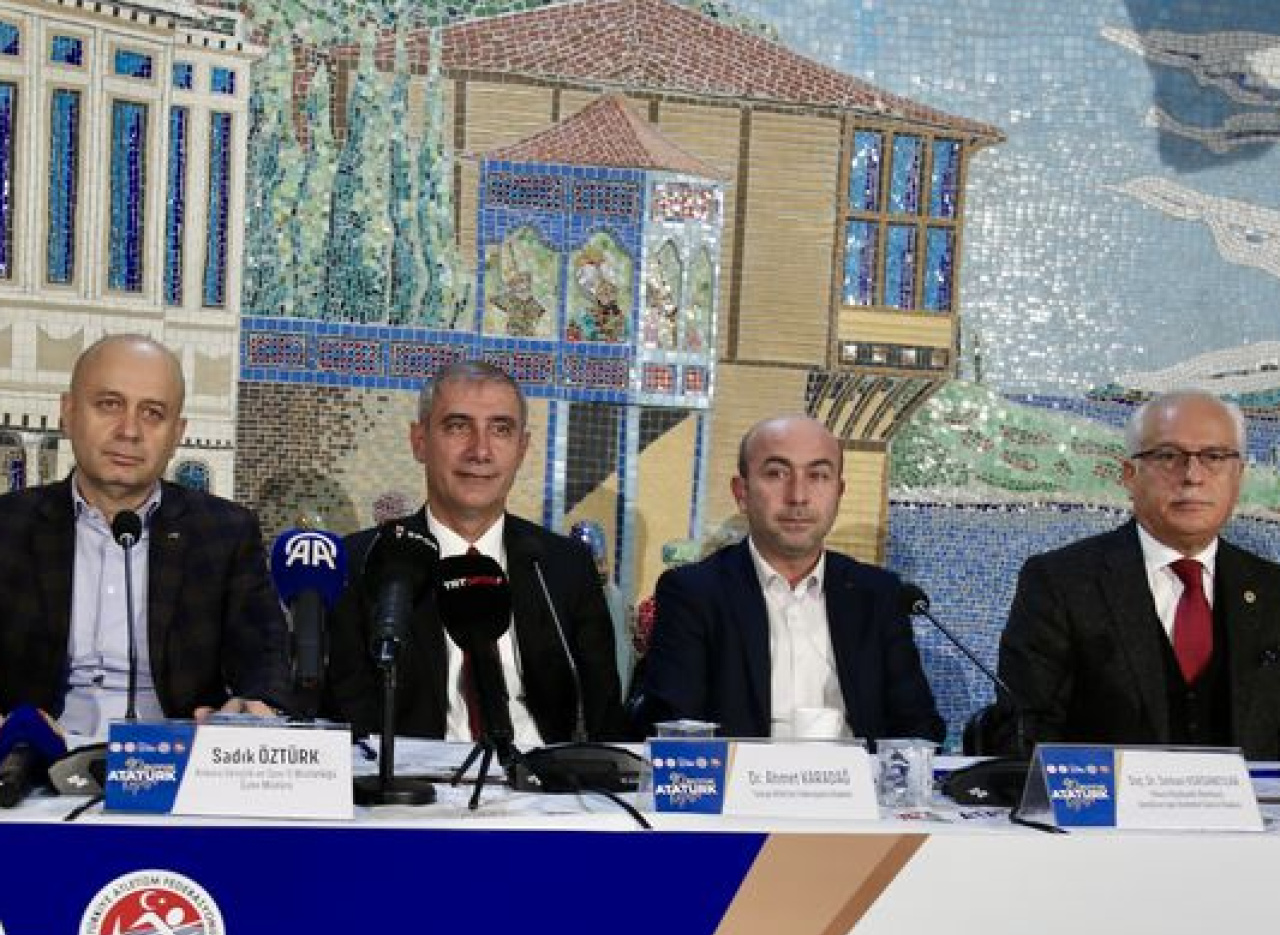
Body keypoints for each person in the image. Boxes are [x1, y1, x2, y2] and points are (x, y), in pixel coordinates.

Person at [0, 333, 289, 733]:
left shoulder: (225, 533)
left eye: (153, 413)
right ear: (68, 412)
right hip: (33, 758)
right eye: (109, 404)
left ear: (177, 434)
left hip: (174, 758)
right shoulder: (9, 526)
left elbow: (264, 658)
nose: (130, 431)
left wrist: (252, 705)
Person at [326, 360, 626, 744]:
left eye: (501, 430)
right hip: (408, 778)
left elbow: (604, 719)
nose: (480, 451)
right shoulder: (362, 563)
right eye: (458, 426)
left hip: (542, 776)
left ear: (522, 449)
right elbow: (345, 721)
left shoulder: (562, 567)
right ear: (420, 441)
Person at [994, 389, 1280, 757]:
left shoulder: (1272, 591)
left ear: (1238, 476)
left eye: (1214, 457)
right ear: (1130, 475)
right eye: (1168, 456)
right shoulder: (1062, 583)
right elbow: (1025, 731)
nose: (1192, 476)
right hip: (1104, 794)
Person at [637, 414, 945, 742]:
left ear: (839, 492)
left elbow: (917, 728)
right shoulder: (694, 593)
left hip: (855, 774)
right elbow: (675, 725)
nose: (798, 496)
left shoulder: (877, 595)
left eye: (818, 475)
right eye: (776, 474)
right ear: (742, 493)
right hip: (739, 774)